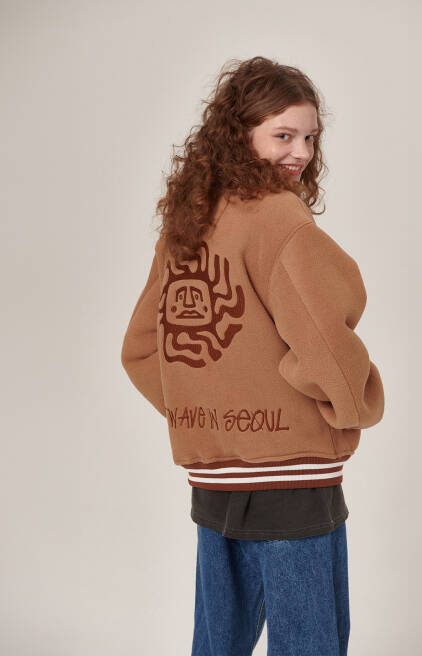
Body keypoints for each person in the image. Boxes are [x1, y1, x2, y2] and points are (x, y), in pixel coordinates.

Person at [121, 56, 385, 656]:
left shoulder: (188, 222)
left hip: (213, 472)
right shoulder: (278, 216)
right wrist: (355, 404)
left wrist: (205, 409)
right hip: (291, 475)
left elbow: (141, 347)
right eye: (283, 135)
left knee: (218, 643)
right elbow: (323, 339)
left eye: (310, 137)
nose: (302, 153)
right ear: (239, 135)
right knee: (309, 643)